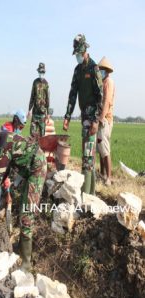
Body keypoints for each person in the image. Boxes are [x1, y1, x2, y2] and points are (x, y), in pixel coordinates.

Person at [0, 120, 47, 272]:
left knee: (26, 215)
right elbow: (4, 173)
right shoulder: (4, 139)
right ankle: (21, 250)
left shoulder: (5, 146)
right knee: (24, 209)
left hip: (36, 169)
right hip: (28, 171)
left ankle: (26, 264)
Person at [63, 34, 103, 195]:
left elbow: (100, 95)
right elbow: (72, 94)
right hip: (84, 118)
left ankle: (86, 195)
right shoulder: (78, 70)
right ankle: (90, 193)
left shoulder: (94, 69)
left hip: (92, 118)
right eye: (76, 53)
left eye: (79, 52)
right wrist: (67, 116)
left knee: (88, 156)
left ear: (85, 49)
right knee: (88, 156)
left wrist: (96, 120)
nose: (78, 56)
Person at [97, 57, 115, 186]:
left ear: (106, 71)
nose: (100, 72)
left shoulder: (108, 82)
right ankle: (102, 174)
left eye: (102, 70)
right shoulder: (102, 82)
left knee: (105, 149)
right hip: (102, 119)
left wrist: (101, 118)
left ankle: (108, 177)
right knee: (100, 147)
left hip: (105, 120)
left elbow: (107, 102)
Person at [28, 62, 50, 138]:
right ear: (38, 72)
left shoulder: (46, 83)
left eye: (42, 72)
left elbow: (47, 98)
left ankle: (40, 149)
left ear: (44, 72)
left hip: (42, 114)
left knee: (42, 135)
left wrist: (48, 113)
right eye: (40, 72)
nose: (41, 73)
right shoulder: (35, 82)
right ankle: (32, 149)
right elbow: (32, 96)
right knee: (32, 134)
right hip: (35, 113)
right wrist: (29, 110)